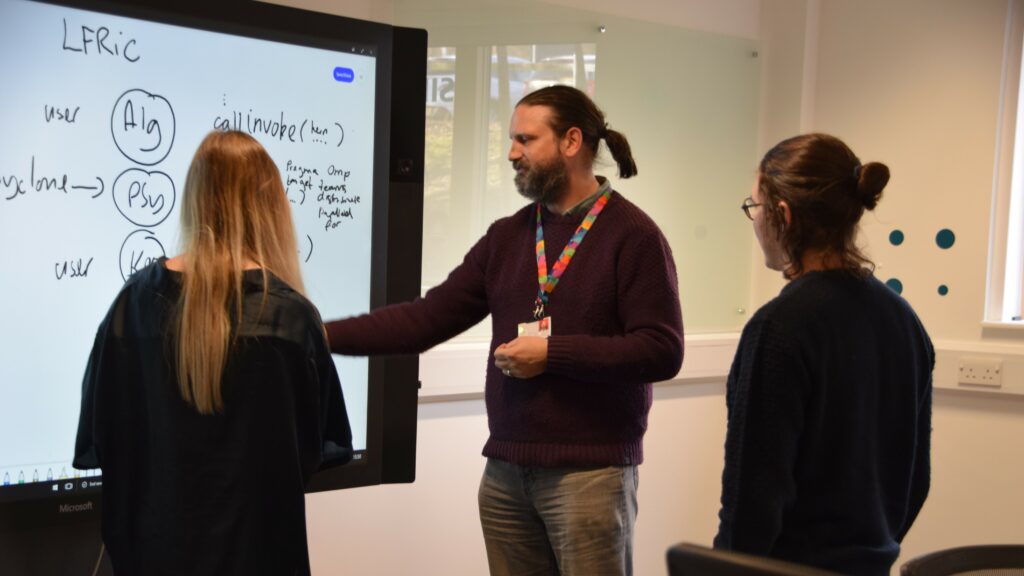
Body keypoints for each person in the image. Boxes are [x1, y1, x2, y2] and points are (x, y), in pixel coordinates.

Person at [326, 85, 684, 575]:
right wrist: (318, 335)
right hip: (505, 475)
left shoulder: (634, 236)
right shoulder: (507, 237)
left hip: (589, 476)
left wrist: (552, 353)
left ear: (571, 142)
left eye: (525, 139)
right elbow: (426, 318)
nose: (512, 153)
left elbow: (661, 350)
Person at [73, 130, 353, 576]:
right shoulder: (291, 320)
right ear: (270, 205)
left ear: (195, 197)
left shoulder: (134, 306)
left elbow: (101, 440)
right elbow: (312, 452)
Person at [713, 133, 933, 575]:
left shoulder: (778, 328)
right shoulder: (904, 320)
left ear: (782, 215)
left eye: (754, 208)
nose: (754, 221)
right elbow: (915, 479)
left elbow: (753, 498)